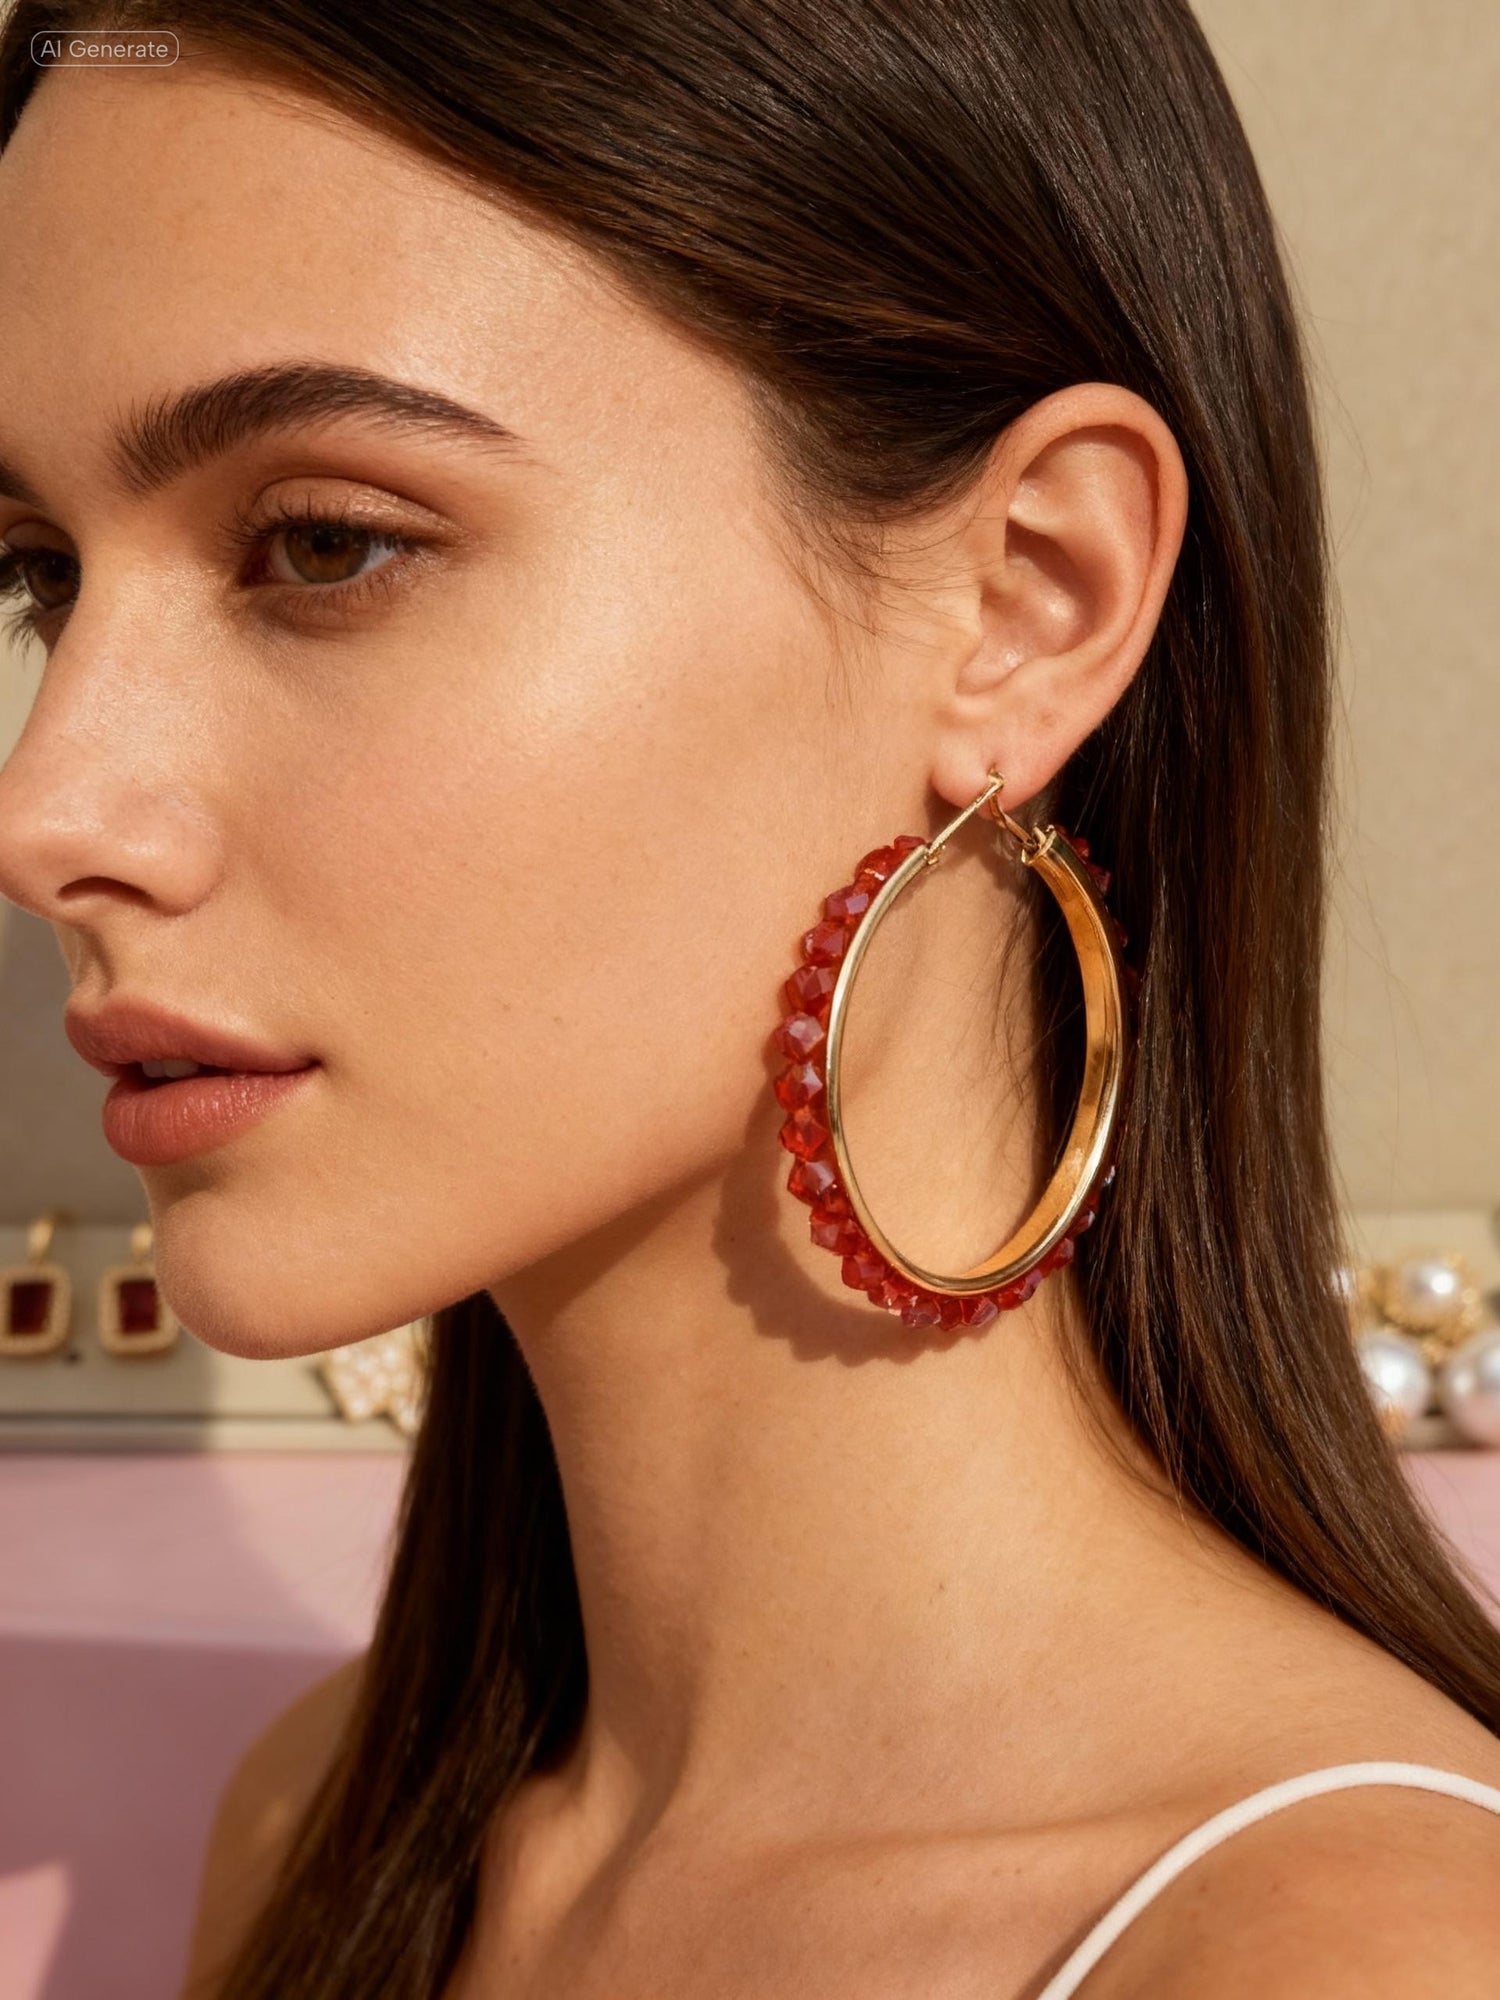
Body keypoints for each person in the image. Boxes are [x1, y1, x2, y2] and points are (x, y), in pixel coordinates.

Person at [0, 2, 1497, 1995]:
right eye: (37, 575)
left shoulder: (1344, 1958)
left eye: (325, 545)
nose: (51, 808)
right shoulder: (317, 1832)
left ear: (1024, 599)